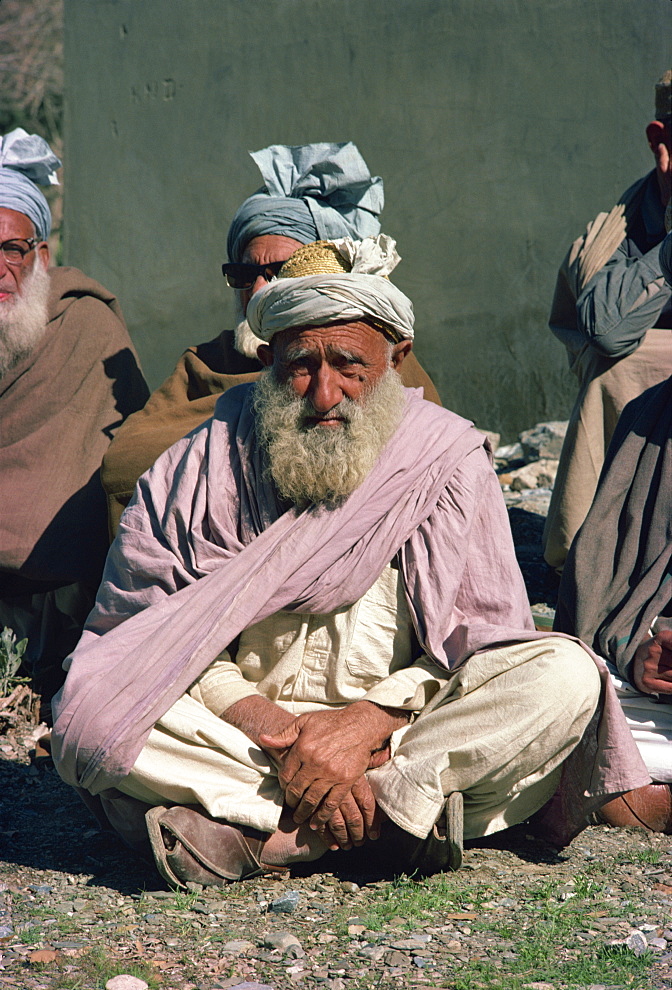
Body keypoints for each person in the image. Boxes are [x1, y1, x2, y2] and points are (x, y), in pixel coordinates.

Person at [51, 236, 648, 889]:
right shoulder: (202, 461)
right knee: (92, 702)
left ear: (397, 358)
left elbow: (477, 645)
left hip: (397, 733)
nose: (324, 393)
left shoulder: (444, 461)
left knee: (564, 677)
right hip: (246, 734)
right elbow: (147, 634)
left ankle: (266, 834)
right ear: (267, 357)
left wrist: (365, 724)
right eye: (299, 365)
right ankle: (384, 820)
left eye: (347, 364)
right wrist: (282, 732)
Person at [100, 142, 440, 535]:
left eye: (280, 271)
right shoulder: (208, 362)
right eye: (245, 275)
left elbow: (425, 461)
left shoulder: (382, 360)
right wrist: (251, 420)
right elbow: (123, 464)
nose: (259, 289)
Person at [0, 129, 149, 711]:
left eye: (12, 249)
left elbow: (128, 462)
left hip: (57, 596)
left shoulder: (87, 328)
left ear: (40, 254)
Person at [554, 230, 672, 834]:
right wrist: (646, 646)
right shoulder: (649, 419)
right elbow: (598, 605)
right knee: (558, 706)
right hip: (647, 706)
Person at [543, 71, 672, 570]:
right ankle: (593, 557)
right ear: (660, 142)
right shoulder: (610, 233)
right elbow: (606, 330)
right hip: (638, 381)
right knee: (615, 369)